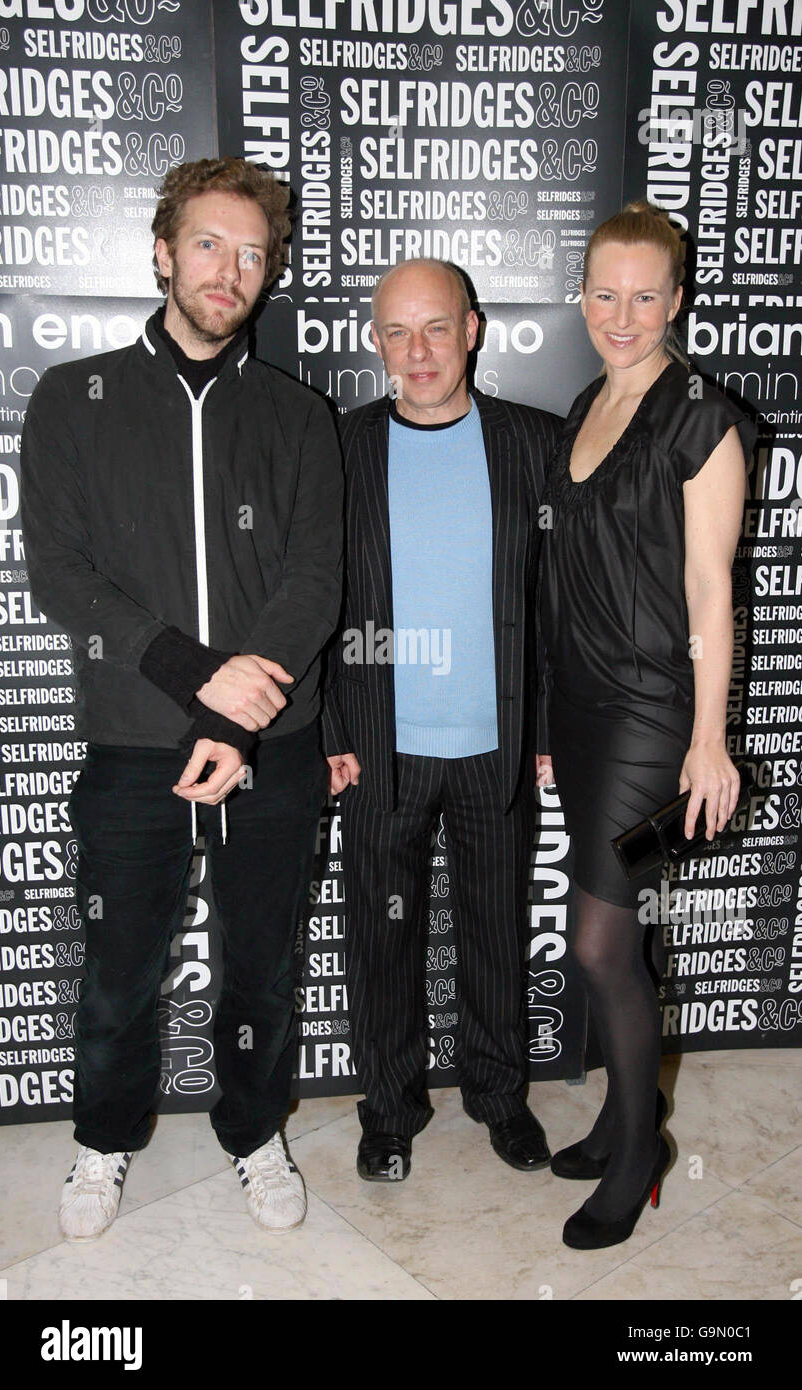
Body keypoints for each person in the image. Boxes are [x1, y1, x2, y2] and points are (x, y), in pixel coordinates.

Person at [20, 157, 343, 1240]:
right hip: (132, 743)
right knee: (118, 970)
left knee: (262, 965)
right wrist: (194, 680)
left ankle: (253, 1132)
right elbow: (59, 573)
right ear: (162, 252)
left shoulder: (299, 416)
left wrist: (235, 719)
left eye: (253, 252)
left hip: (276, 749)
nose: (231, 269)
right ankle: (102, 1140)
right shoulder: (75, 398)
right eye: (209, 244)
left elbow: (313, 583)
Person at [537, 201, 756, 1249]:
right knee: (615, 938)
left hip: (653, 716)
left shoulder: (700, 415)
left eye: (644, 296)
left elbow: (712, 590)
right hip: (579, 714)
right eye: (604, 293)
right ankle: (626, 1114)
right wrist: (546, 716)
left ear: (676, 300)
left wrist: (707, 738)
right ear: (584, 295)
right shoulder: (586, 402)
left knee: (599, 939)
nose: (622, 315)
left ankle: (638, 1153)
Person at [323, 257, 561, 1182]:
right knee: (380, 940)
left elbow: (558, 602)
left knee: (497, 932)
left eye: (434, 328)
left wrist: (547, 722)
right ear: (375, 341)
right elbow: (312, 600)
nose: (416, 352)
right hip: (379, 747)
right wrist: (327, 729)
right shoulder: (338, 448)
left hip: (494, 746)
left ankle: (499, 1099)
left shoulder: (533, 443)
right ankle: (388, 1111)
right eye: (395, 332)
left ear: (472, 328)